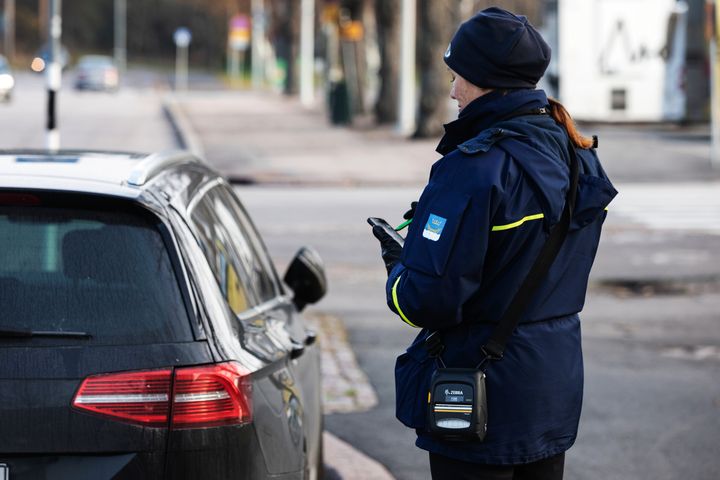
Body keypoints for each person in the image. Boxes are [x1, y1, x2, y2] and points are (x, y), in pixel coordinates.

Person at [370, 7, 617, 480]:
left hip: (481, 395)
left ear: (485, 81)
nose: (452, 90)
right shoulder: (576, 152)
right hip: (552, 387)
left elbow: (427, 302)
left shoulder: (472, 169)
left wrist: (400, 269)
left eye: (458, 76)